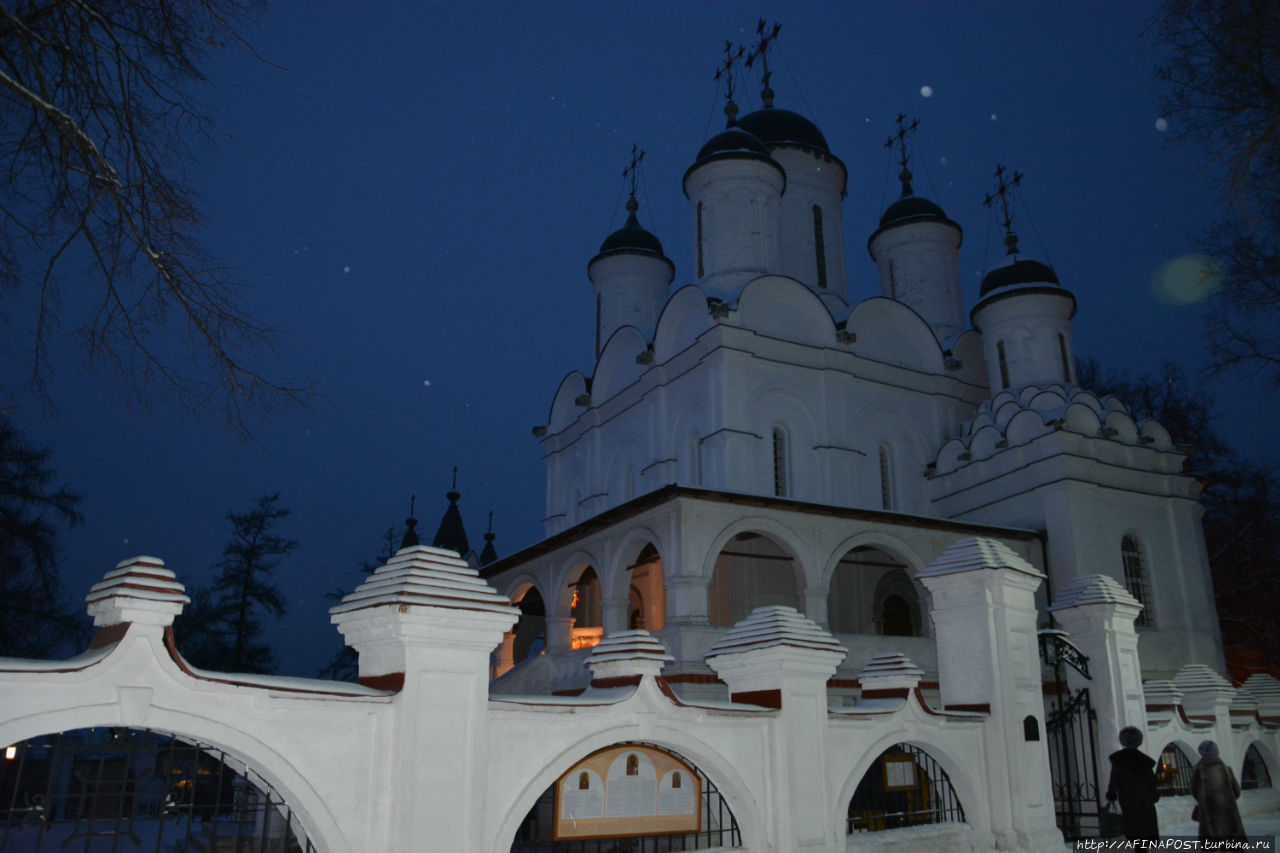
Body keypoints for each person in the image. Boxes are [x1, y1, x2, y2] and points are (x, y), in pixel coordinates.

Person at [1105, 726, 1159, 840]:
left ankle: (1139, 848)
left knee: (1133, 825)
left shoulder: (1118, 759)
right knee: (1144, 825)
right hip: (1145, 797)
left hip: (1127, 797)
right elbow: (1151, 780)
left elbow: (1114, 778)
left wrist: (1111, 794)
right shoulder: (1144, 760)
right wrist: (1154, 795)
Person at [1191, 740, 1246, 841]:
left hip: (1210, 819)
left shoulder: (1198, 770)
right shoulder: (1227, 769)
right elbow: (1237, 792)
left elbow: (1195, 792)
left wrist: (1205, 801)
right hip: (1230, 818)